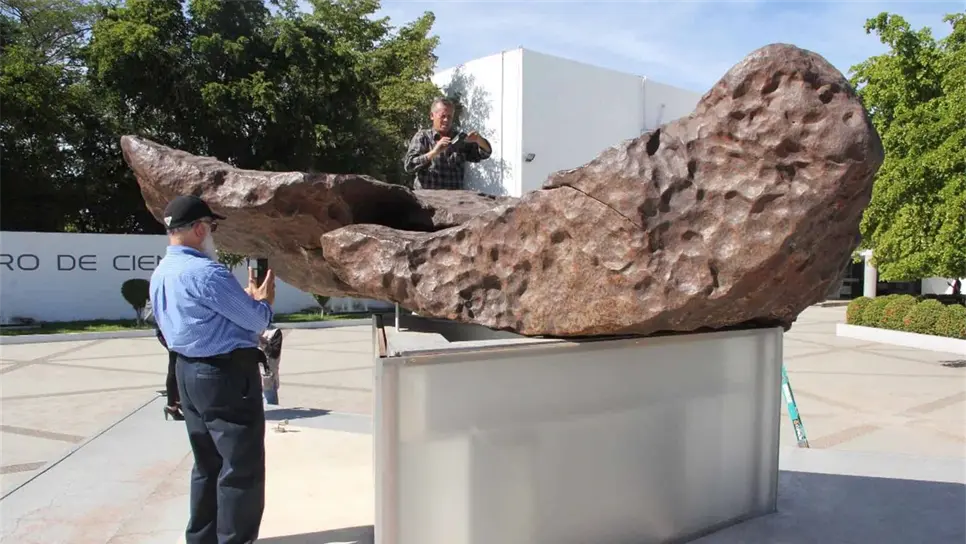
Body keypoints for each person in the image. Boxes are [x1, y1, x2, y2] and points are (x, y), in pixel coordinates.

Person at [150, 194, 276, 544]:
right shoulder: (206, 272)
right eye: (212, 228)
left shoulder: (163, 271)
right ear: (199, 229)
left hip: (187, 374)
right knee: (240, 469)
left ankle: (202, 539)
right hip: (225, 377)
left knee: (207, 465)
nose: (213, 236)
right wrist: (262, 301)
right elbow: (256, 321)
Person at [403, 97, 493, 190]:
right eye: (443, 116)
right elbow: (409, 166)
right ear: (432, 116)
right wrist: (433, 153)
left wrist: (479, 140)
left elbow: (485, 153)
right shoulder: (423, 137)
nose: (446, 120)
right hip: (427, 200)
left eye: (449, 117)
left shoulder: (459, 139)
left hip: (452, 201)